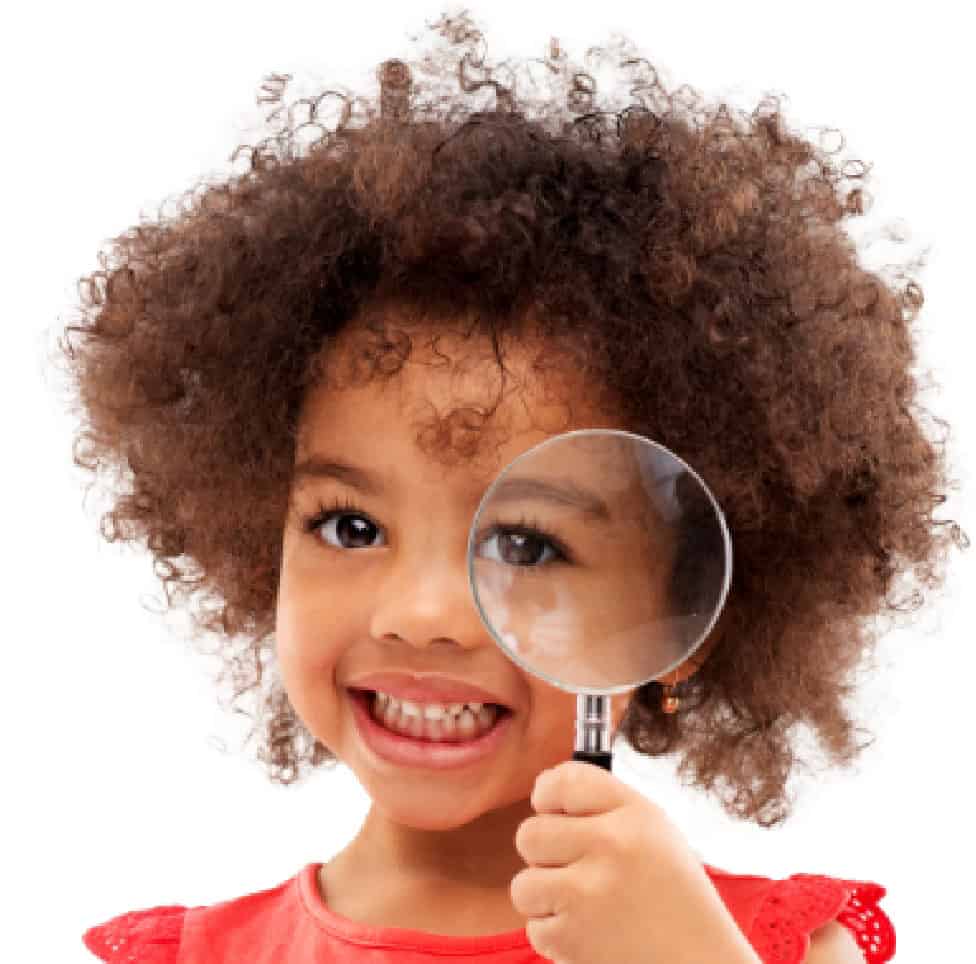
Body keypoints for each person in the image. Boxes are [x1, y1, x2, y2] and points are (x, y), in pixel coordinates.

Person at [55, 10, 965, 962]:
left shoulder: (768, 945)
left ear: (685, 614)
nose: (423, 613)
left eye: (527, 545)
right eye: (350, 525)